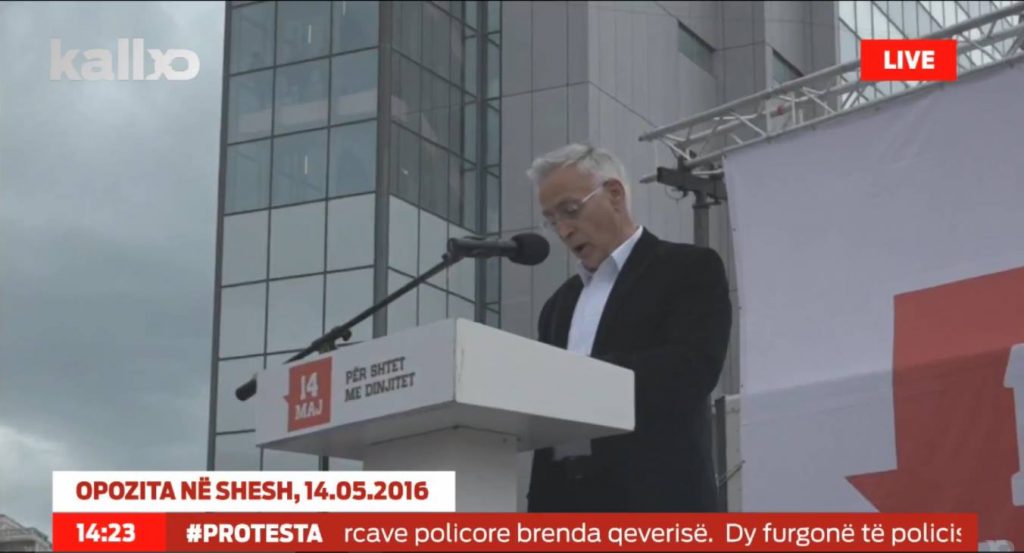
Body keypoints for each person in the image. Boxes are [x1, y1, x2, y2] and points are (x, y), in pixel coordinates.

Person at [525, 143, 732, 513]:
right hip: (563, 504)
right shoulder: (558, 305)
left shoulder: (688, 268)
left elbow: (692, 371)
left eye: (570, 210)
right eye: (551, 220)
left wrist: (579, 378)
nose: (563, 230)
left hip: (655, 503)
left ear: (614, 194)